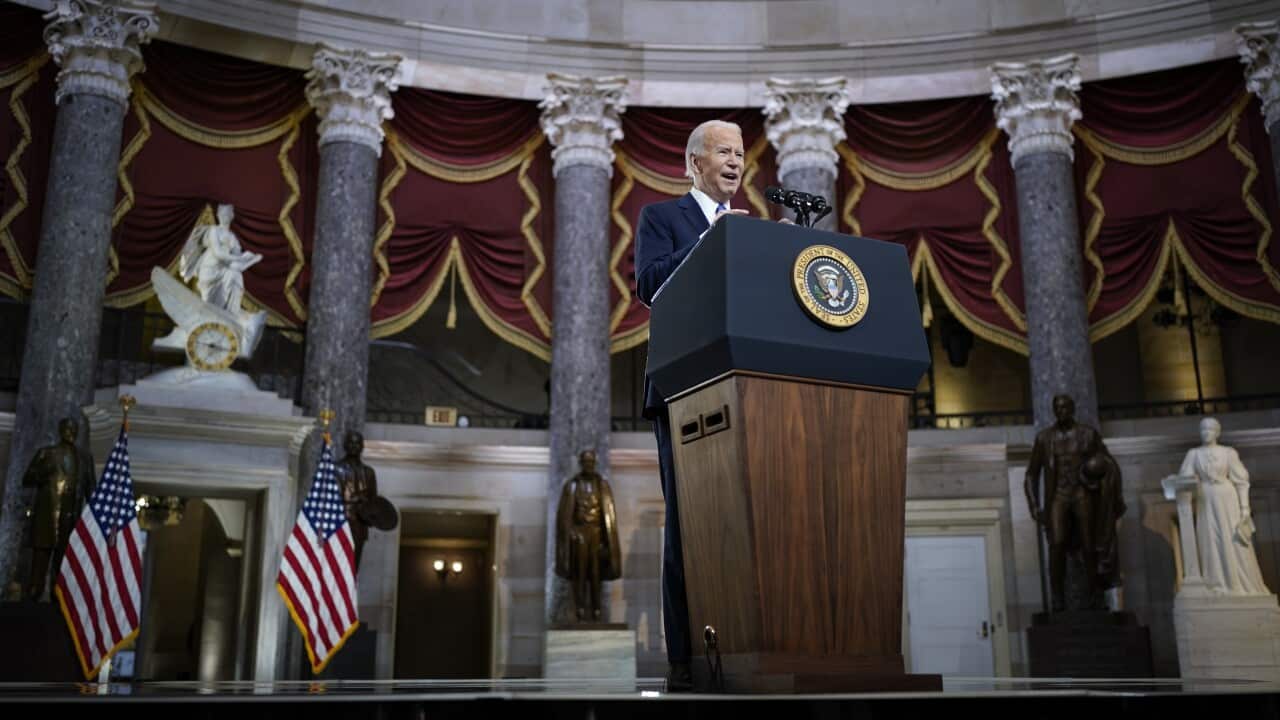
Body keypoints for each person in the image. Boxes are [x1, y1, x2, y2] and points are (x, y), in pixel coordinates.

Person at [634, 119, 750, 690]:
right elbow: (650, 283)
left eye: (742, 153)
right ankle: (683, 657)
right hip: (683, 389)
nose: (735, 161)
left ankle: (748, 643)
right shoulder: (664, 218)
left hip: (747, 388)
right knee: (686, 524)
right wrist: (713, 242)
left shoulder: (752, 231)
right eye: (724, 152)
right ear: (694, 163)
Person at [1025, 394, 1125, 611]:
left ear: (1072, 408)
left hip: (1081, 493)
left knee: (1090, 544)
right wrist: (1034, 506)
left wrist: (1103, 477)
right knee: (1057, 545)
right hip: (1058, 496)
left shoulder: (1088, 434)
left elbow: (1109, 464)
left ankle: (1095, 596)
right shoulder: (1044, 438)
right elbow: (1031, 474)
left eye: (1064, 407)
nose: (1061, 411)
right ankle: (1057, 598)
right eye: (1057, 408)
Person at [1176, 417, 1270, 595]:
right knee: (1209, 539)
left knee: (1232, 539)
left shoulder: (1228, 453)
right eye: (1203, 429)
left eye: (1210, 429)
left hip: (1227, 498)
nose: (1206, 432)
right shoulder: (1193, 454)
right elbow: (1184, 479)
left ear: (1217, 432)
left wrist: (1245, 508)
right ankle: (1216, 583)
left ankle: (1240, 584)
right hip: (1206, 499)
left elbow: (1241, 481)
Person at [21, 417, 95, 601]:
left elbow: (91, 491)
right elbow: (27, 479)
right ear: (60, 430)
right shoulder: (46, 453)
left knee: (62, 567)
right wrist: (44, 472)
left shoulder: (85, 459)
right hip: (46, 519)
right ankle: (32, 597)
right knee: (39, 564)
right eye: (67, 428)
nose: (71, 432)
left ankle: (58, 602)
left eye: (74, 429)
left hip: (70, 519)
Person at [554, 450, 622, 622]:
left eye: (591, 462)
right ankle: (580, 610)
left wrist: (607, 542)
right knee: (579, 573)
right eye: (586, 462)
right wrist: (571, 533)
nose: (589, 465)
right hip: (579, 534)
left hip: (597, 534)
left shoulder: (602, 485)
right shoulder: (572, 486)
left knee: (596, 573)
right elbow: (564, 516)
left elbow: (609, 515)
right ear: (581, 464)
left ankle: (597, 610)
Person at [179, 203, 263, 315]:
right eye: (222, 214)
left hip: (224, 270)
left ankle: (232, 313)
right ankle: (209, 320)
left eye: (227, 214)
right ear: (218, 215)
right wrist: (241, 257)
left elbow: (236, 266)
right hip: (209, 270)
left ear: (231, 216)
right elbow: (218, 253)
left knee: (236, 275)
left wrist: (251, 260)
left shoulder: (233, 238)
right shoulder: (215, 230)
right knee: (208, 308)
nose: (225, 216)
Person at [334, 430, 378, 573]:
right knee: (337, 568)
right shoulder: (336, 468)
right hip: (340, 524)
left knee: (353, 569)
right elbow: (332, 497)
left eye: (357, 443)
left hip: (360, 526)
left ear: (362, 446)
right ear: (345, 445)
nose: (354, 446)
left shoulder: (369, 472)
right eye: (351, 442)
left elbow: (373, 501)